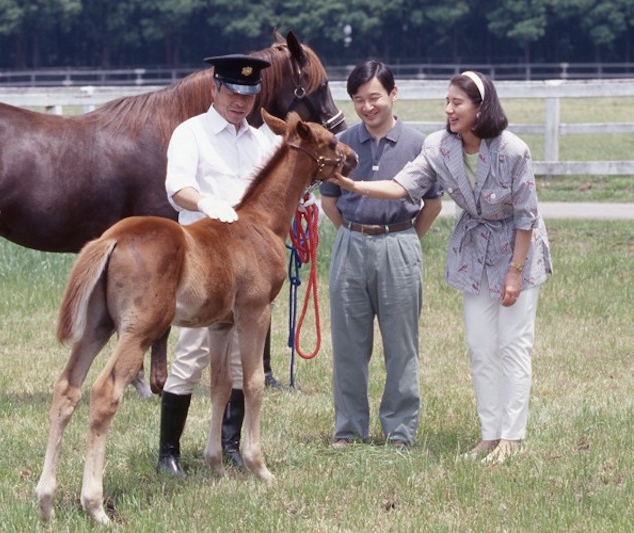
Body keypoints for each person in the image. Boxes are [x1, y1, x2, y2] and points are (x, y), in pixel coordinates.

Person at [328, 70, 553, 464]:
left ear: (481, 108)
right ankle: (489, 434)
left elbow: (526, 218)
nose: (448, 110)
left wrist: (515, 273)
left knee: (513, 345)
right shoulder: (439, 146)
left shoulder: (513, 150)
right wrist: (356, 187)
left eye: (457, 103)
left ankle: (511, 438)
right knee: (480, 346)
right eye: (447, 102)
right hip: (475, 253)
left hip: (517, 249)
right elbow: (402, 185)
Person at [158, 53, 276, 477]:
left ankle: (228, 445)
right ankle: (168, 452)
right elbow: (177, 187)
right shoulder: (191, 133)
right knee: (192, 355)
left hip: (248, 266)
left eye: (248, 94)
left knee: (246, 361)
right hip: (203, 258)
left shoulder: (261, 140)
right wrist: (206, 201)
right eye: (231, 92)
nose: (239, 102)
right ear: (214, 90)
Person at [319, 59, 443, 450]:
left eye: (374, 97)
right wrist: (357, 233)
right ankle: (349, 428)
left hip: (399, 244)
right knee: (348, 344)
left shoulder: (418, 144)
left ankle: (400, 430)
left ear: (393, 93)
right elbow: (329, 203)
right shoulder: (342, 143)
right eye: (358, 100)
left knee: (401, 344)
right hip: (350, 244)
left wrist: (403, 238)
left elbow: (433, 205)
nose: (367, 107)